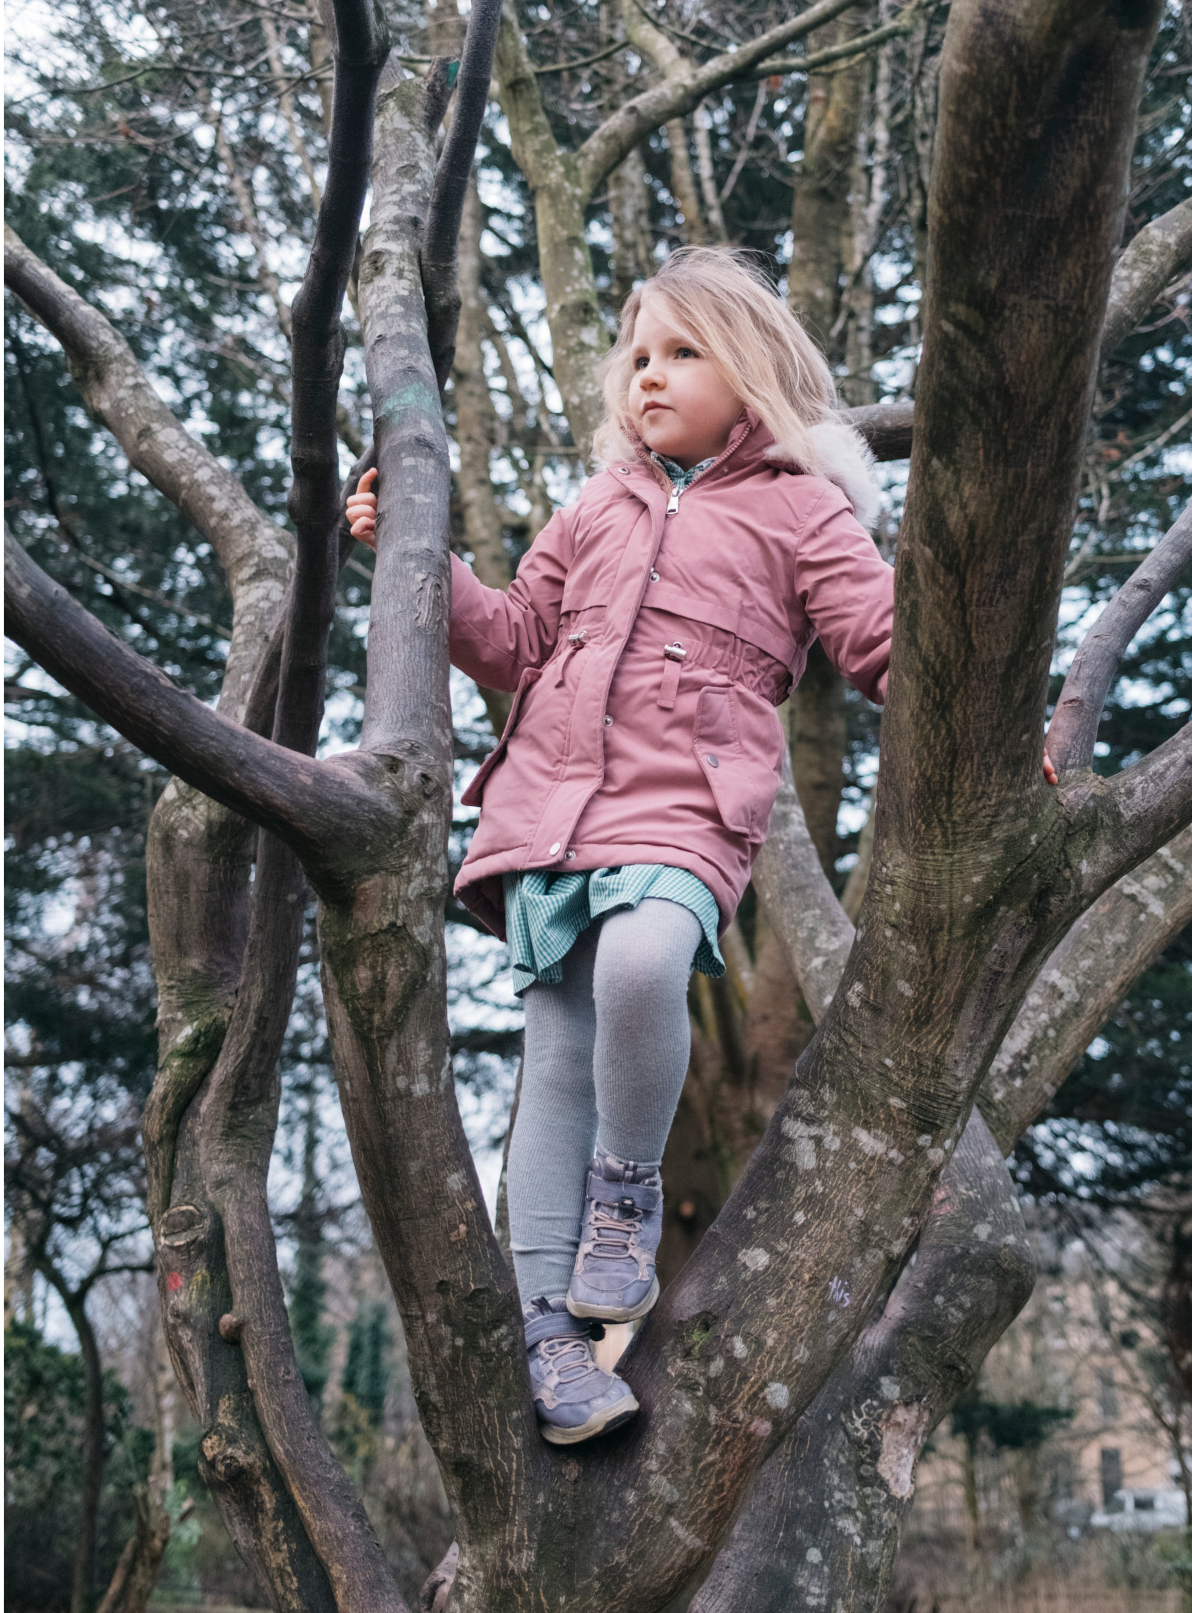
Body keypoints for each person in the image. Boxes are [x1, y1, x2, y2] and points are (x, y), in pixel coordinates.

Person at [347, 246, 1051, 1447]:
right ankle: (550, 1341)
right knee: (554, 1060)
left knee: (642, 964)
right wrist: (418, 559)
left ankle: (624, 1196)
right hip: (553, 810)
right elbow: (512, 640)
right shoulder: (595, 506)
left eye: (682, 352)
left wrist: (998, 729)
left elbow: (886, 643)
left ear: (752, 371)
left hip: (685, 803)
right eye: (637, 357)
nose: (649, 377)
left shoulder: (800, 507)